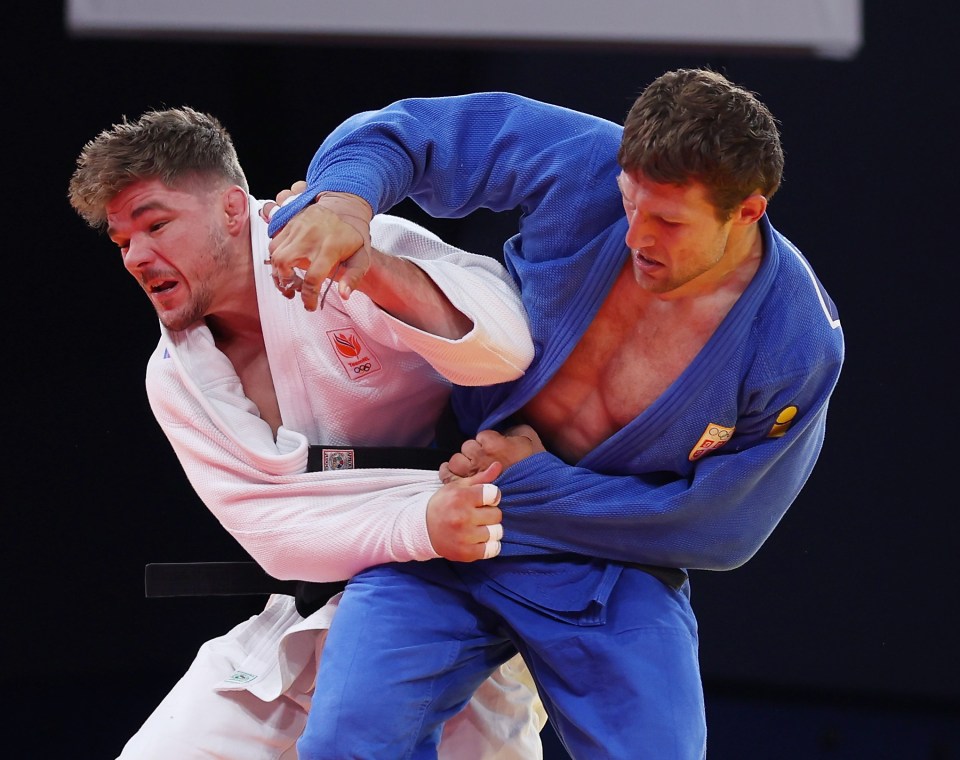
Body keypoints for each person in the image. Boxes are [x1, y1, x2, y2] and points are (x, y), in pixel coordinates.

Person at [265, 68, 846, 759]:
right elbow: (413, 130)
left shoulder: (793, 339)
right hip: (450, 521)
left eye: (668, 221)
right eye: (632, 204)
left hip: (608, 562)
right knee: (342, 743)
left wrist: (533, 485)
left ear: (747, 211)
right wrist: (345, 201)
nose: (638, 237)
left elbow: (724, 526)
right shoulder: (584, 164)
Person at [67, 107, 548, 760]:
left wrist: (371, 267)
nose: (138, 257)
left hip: (457, 615)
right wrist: (420, 518)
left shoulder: (344, 246)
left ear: (235, 210)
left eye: (155, 224)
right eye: (122, 241)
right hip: (303, 618)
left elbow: (508, 347)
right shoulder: (175, 377)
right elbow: (279, 536)